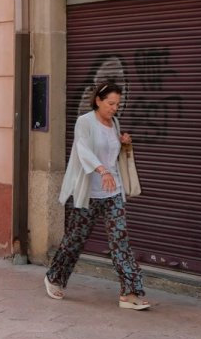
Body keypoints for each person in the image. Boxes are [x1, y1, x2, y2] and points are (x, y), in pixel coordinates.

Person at [43, 81, 149, 310]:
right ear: (98, 100)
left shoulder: (115, 123)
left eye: (117, 104)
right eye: (110, 103)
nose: (114, 108)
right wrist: (101, 171)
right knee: (75, 240)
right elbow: (83, 150)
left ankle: (130, 293)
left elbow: (112, 154)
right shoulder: (85, 122)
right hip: (89, 193)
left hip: (113, 192)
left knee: (120, 241)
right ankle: (55, 277)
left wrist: (124, 144)